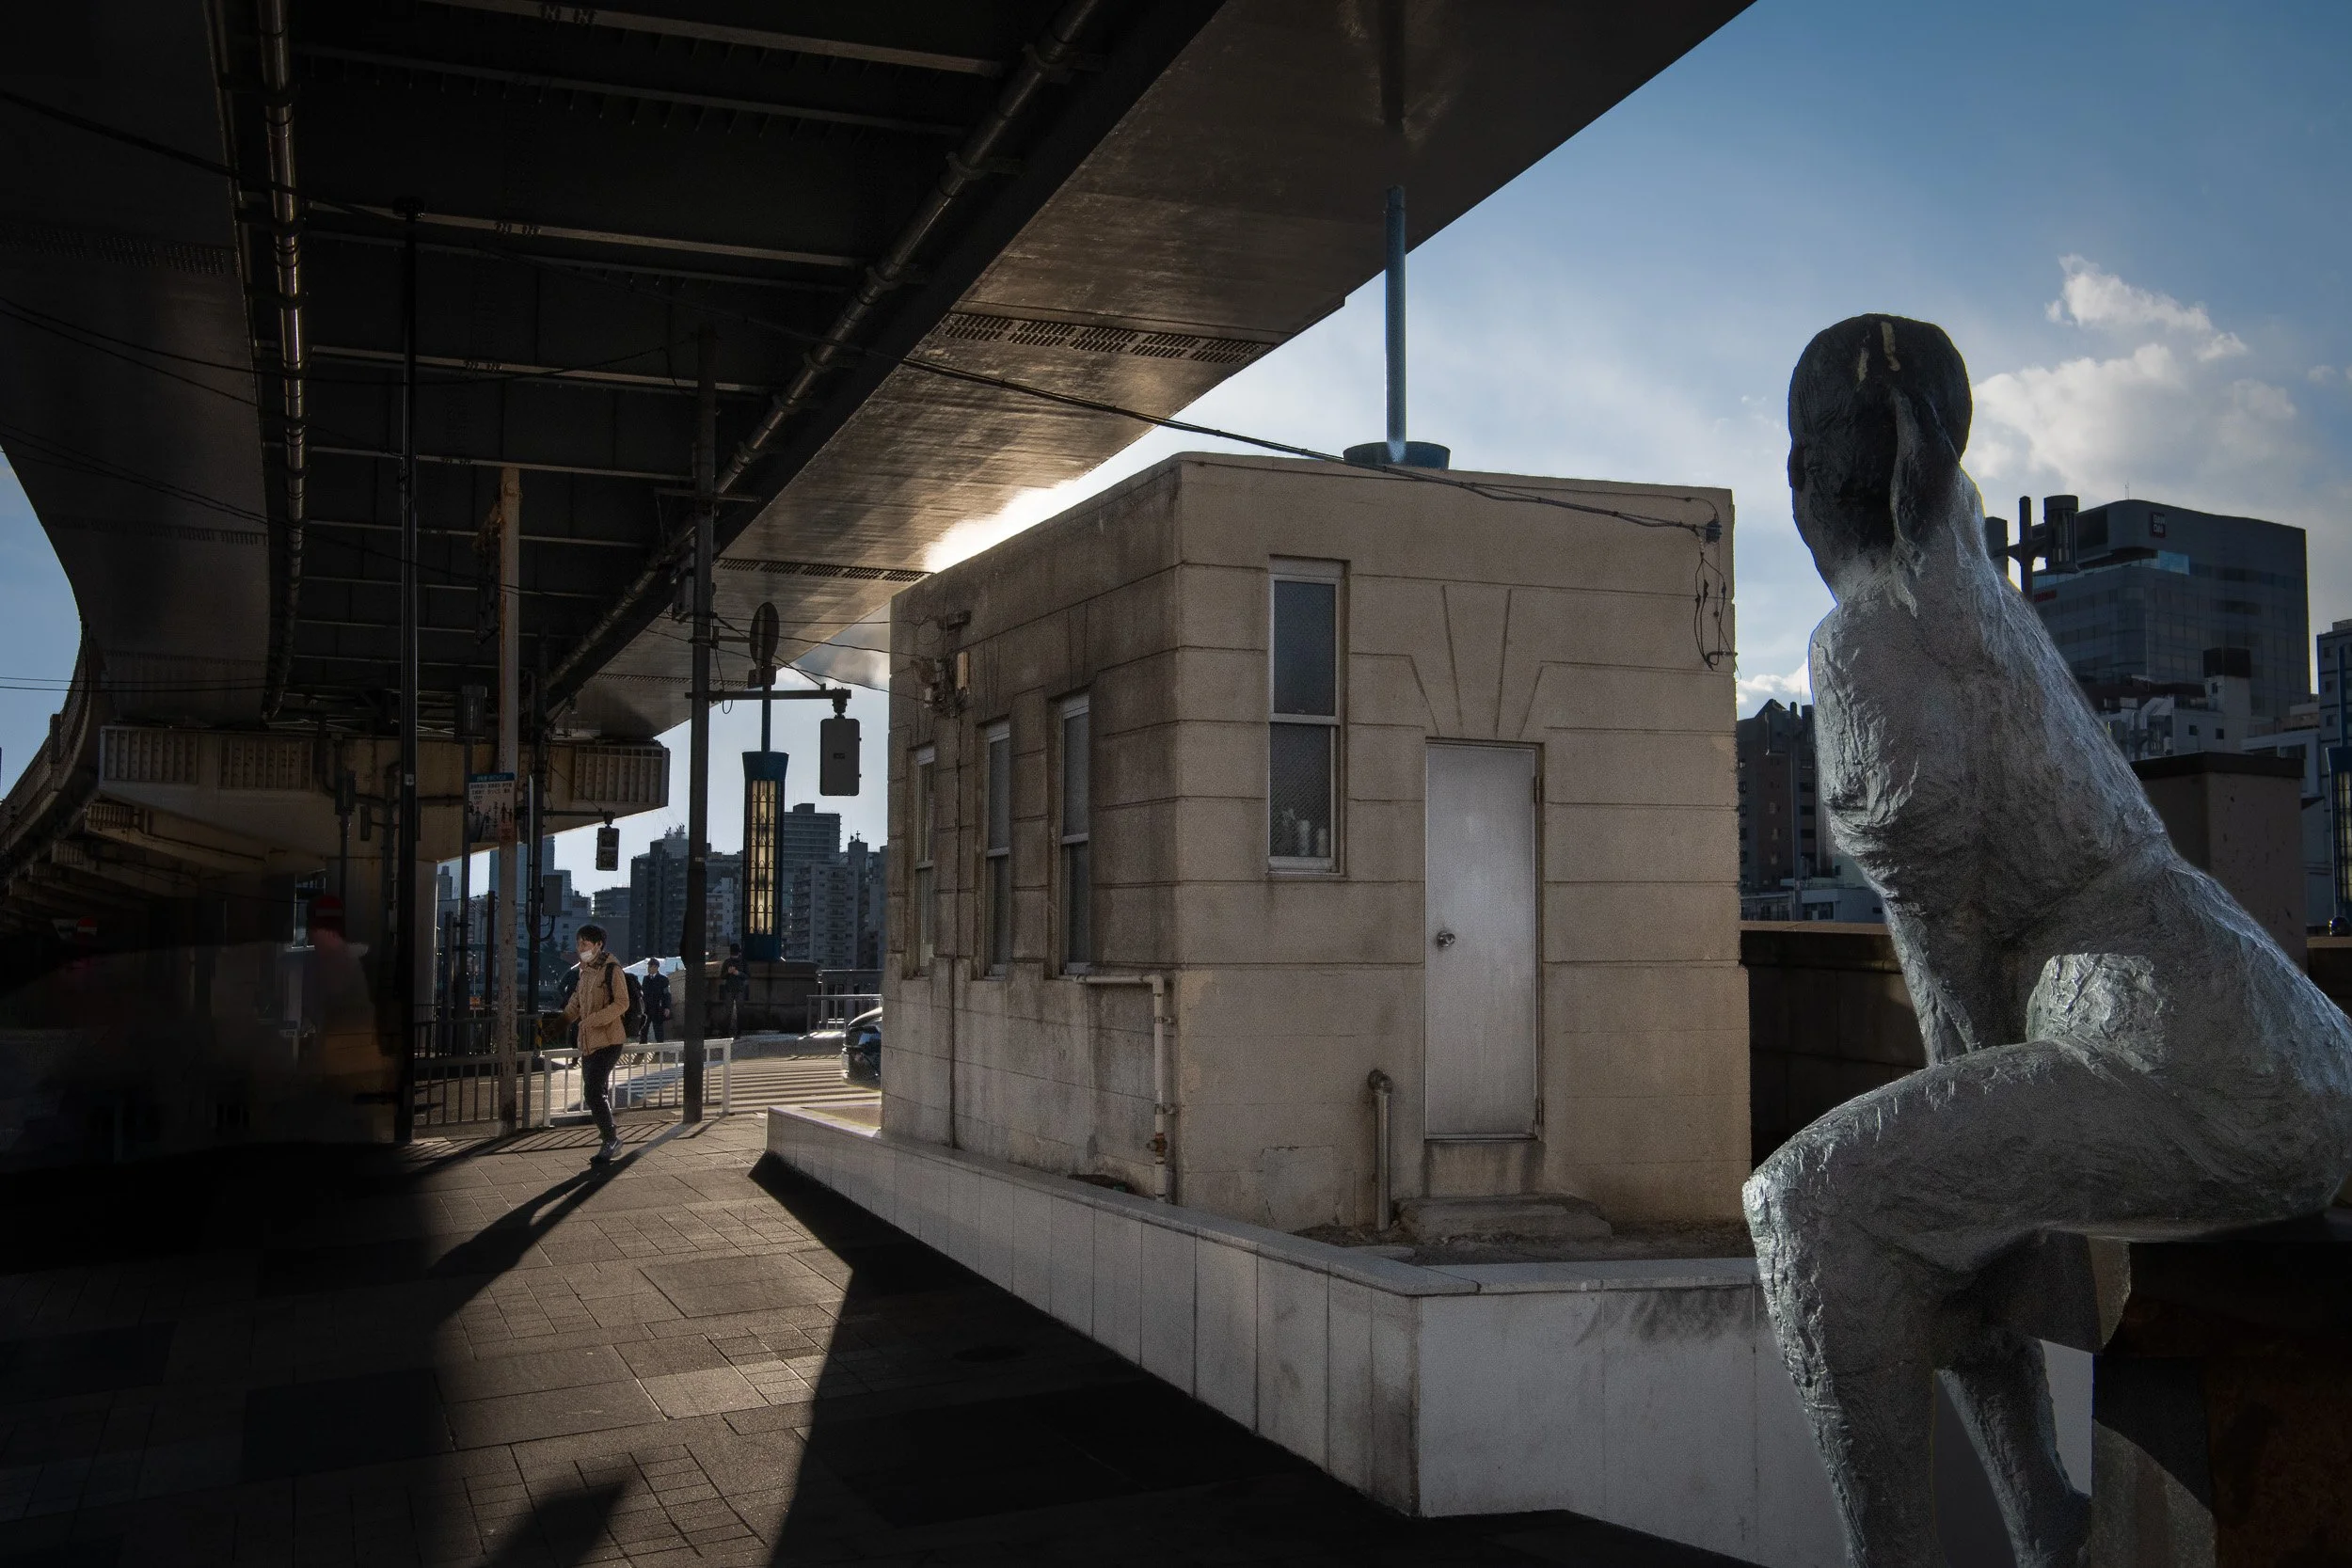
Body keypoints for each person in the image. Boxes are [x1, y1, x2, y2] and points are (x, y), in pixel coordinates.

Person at [1745, 315, 2352, 1566]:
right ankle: (2051, 1525)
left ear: (1807, 482)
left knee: (1809, 1202)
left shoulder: (1865, 639)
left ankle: (1963, 1545)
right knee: (1935, 1182)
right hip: (2278, 1033)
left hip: (2171, 1048)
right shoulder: (1965, 585)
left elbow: (1955, 1004)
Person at [561, 924, 631, 1164]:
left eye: (585, 944)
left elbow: (622, 1003)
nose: (580, 948)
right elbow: (575, 1003)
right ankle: (610, 1139)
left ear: (599, 945)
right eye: (579, 943)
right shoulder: (585, 971)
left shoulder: (612, 969)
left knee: (592, 1091)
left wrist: (592, 1021)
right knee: (594, 1092)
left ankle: (611, 1139)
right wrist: (556, 1025)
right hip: (590, 1042)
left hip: (610, 1040)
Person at [641, 958, 672, 1043]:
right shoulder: (645, 979)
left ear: (656, 967)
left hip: (657, 1008)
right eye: (648, 966)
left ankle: (659, 1050)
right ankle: (642, 1049)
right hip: (646, 1009)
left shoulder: (663, 979)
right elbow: (643, 994)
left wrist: (667, 1007)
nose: (648, 968)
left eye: (650, 966)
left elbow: (667, 994)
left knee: (658, 1030)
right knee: (644, 1029)